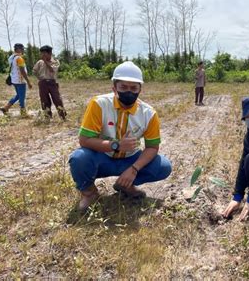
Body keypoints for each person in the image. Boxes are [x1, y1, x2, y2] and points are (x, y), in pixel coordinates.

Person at [69, 61, 172, 211]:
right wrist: (115, 145)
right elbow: (84, 140)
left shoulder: (148, 114)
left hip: (130, 159)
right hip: (102, 158)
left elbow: (152, 147)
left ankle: (125, 185)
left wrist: (134, 169)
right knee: (79, 158)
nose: (128, 92)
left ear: (140, 90)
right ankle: (89, 193)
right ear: (114, 87)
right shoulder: (99, 104)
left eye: (133, 88)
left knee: (163, 166)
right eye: (123, 87)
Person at [32, 45, 67, 120]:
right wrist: (39, 78)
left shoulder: (55, 61)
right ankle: (47, 117)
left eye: (44, 54)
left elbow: (52, 70)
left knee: (57, 99)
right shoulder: (40, 62)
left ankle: (63, 116)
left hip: (52, 82)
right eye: (42, 54)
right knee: (44, 100)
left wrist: (45, 61)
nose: (43, 56)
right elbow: (34, 71)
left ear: (50, 53)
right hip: (43, 83)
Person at [0, 43, 33, 117]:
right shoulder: (19, 58)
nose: (23, 50)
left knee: (19, 95)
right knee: (22, 97)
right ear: (18, 49)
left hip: (14, 80)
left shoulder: (11, 57)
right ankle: (23, 113)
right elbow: (22, 71)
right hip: (20, 81)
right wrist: (28, 81)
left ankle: (6, 107)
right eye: (22, 49)